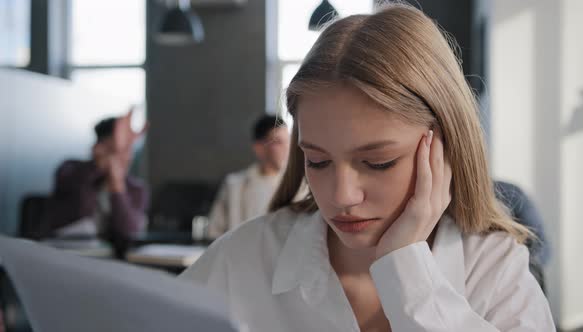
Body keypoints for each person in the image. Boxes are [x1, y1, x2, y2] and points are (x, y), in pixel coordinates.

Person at [180, 4, 555, 331]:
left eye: (379, 163)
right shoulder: (245, 256)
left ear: (444, 147)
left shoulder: (495, 270)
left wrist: (406, 268)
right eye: (318, 160)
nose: (342, 196)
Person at [40, 109, 149, 243]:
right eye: (115, 149)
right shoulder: (70, 170)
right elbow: (77, 211)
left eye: (128, 149)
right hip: (62, 250)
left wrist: (117, 186)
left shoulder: (136, 189)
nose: (124, 157)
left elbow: (129, 233)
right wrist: (97, 167)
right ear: (98, 148)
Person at [206, 115, 290, 239]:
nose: (286, 148)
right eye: (278, 142)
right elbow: (214, 231)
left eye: (288, 141)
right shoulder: (234, 185)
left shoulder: (299, 185)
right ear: (259, 148)